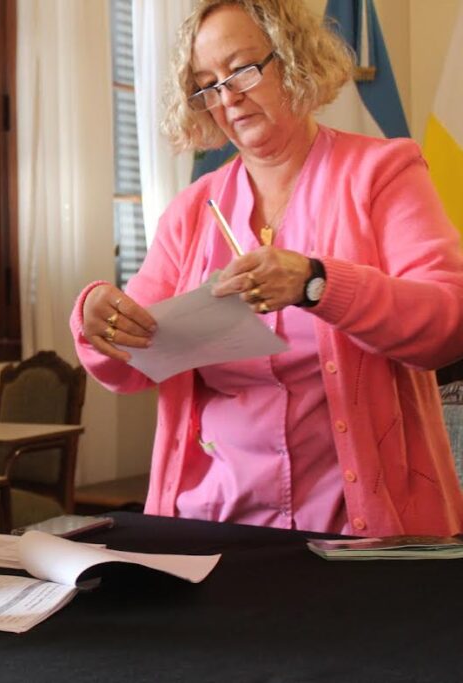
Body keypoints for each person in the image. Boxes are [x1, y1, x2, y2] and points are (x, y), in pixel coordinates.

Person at [72, 0, 463, 537]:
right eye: (208, 85)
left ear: (293, 58)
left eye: (241, 71)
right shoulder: (192, 209)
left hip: (355, 533)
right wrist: (96, 320)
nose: (227, 98)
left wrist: (317, 283)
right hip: (211, 527)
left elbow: (447, 324)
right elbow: (130, 366)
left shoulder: (382, 171)